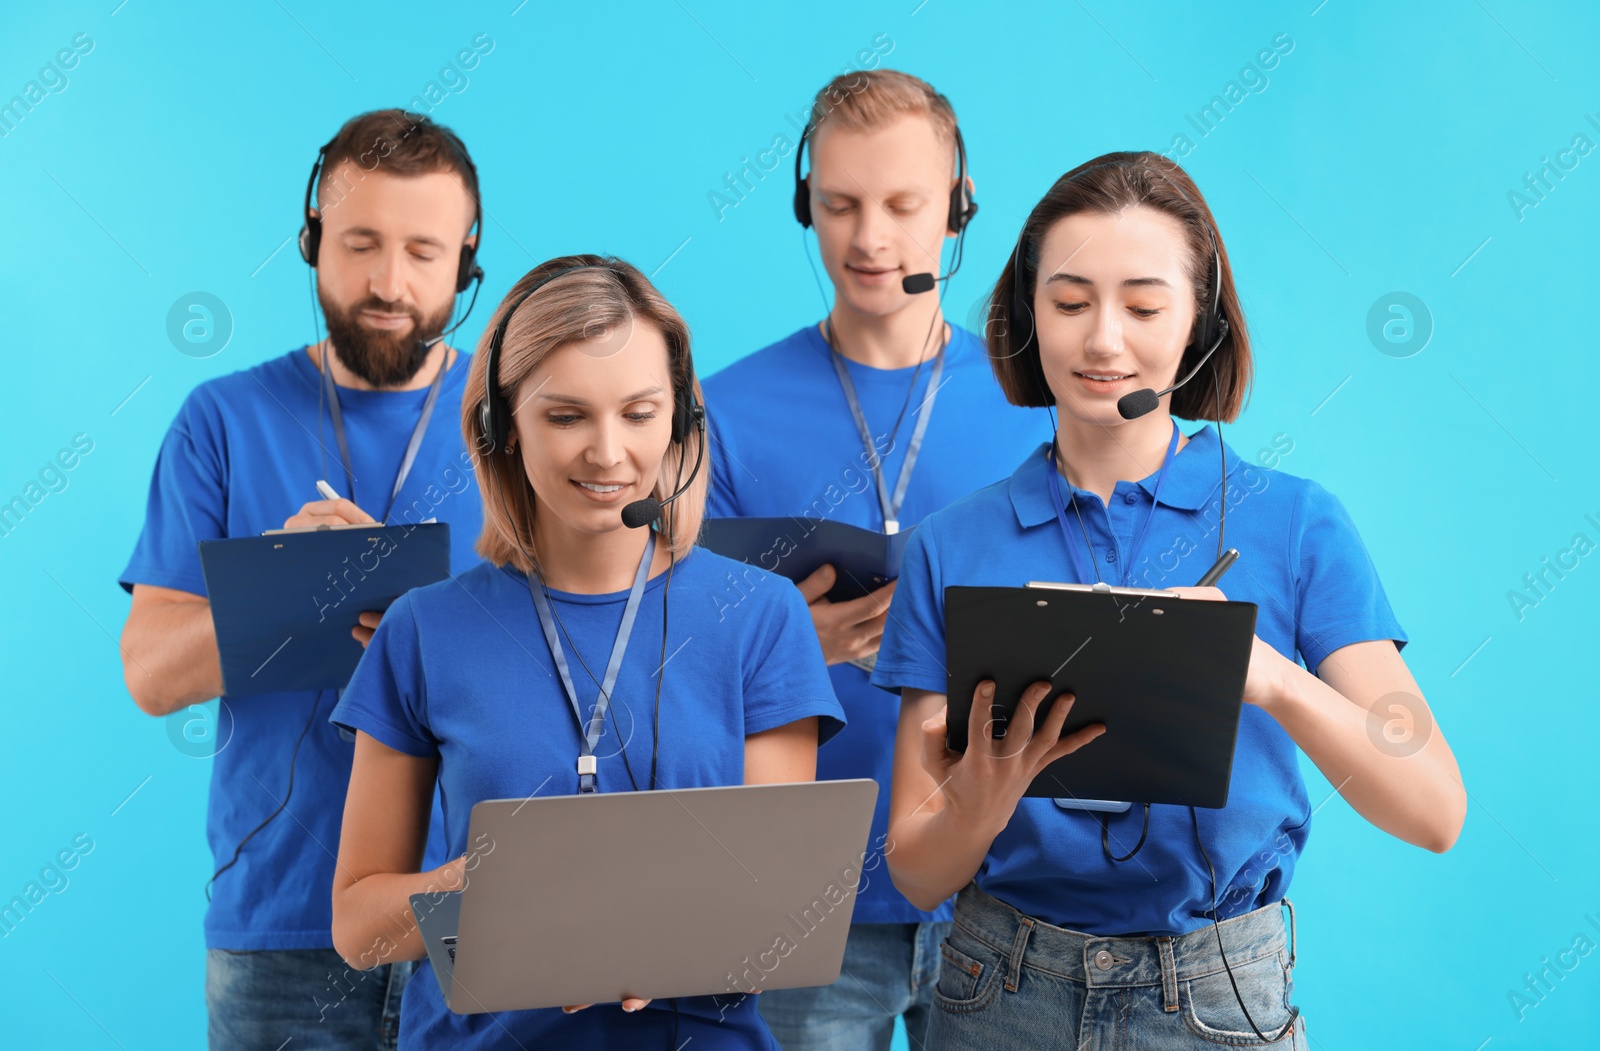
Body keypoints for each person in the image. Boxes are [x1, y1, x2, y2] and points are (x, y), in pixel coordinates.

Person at [870, 152, 1466, 1049]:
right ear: (1028, 313)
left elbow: (1434, 808)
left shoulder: (1297, 523)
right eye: (1069, 303)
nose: (1103, 340)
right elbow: (917, 874)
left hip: (1218, 997)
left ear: (1201, 324)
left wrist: (1272, 681)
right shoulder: (950, 545)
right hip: (997, 993)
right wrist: (980, 801)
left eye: (1144, 306)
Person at [328, 256, 847, 1049]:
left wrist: (664, 945)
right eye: (567, 415)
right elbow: (358, 925)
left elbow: (776, 912)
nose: (608, 454)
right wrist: (483, 890)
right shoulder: (422, 629)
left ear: (681, 421)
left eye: (639, 412)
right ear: (503, 427)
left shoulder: (763, 617)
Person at [117, 108, 487, 1049]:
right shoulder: (221, 419)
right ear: (313, 238)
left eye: (421, 250)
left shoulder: (521, 419)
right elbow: (154, 674)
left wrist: (429, 622)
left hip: (480, 911)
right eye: (360, 244)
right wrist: (289, 585)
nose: (389, 283)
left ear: (468, 255)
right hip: (281, 928)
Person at [703, 69, 1051, 1051]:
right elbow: (663, 657)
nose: (867, 239)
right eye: (840, 204)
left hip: (1006, 890)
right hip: (800, 896)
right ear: (804, 204)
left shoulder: (1040, 402)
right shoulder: (721, 411)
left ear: (957, 209)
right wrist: (791, 646)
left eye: (902, 205)